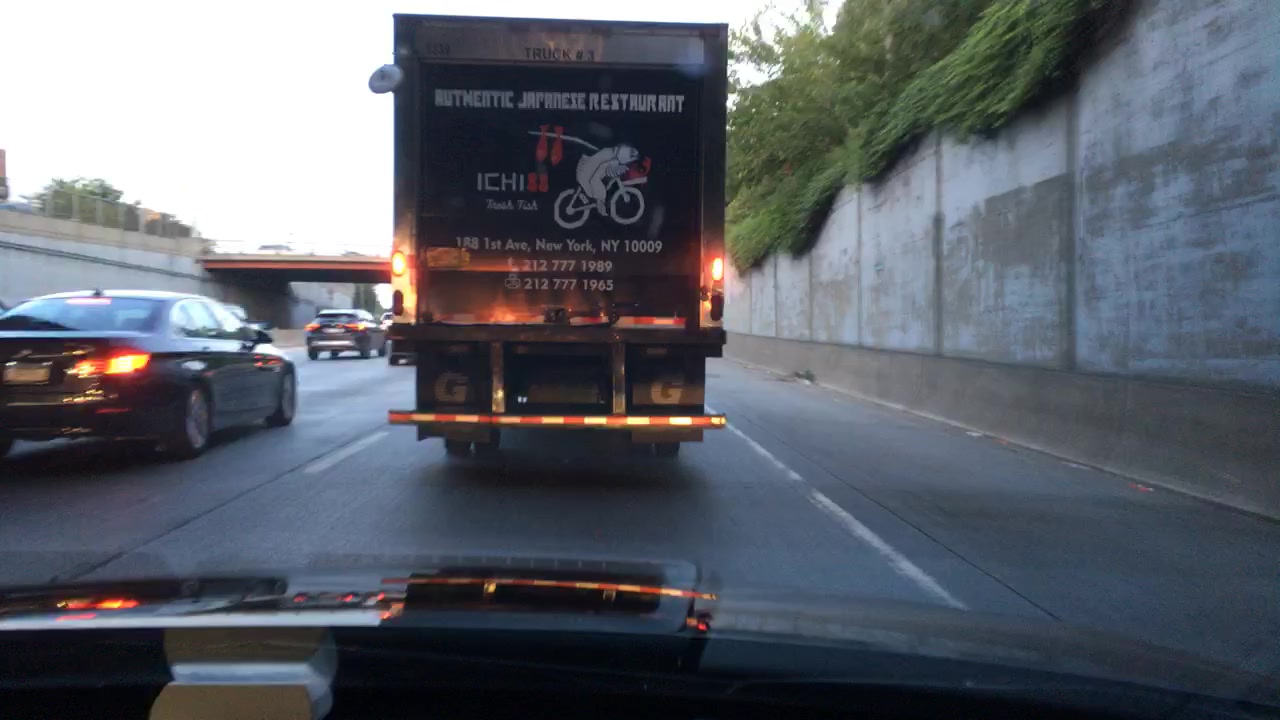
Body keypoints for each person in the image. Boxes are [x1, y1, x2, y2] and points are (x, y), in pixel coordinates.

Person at [575, 144, 640, 214]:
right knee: (593, 189)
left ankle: (591, 198)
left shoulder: (611, 154)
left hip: (590, 164)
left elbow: (608, 170)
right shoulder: (608, 157)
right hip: (586, 170)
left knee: (596, 187)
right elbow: (594, 176)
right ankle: (587, 197)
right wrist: (600, 199)